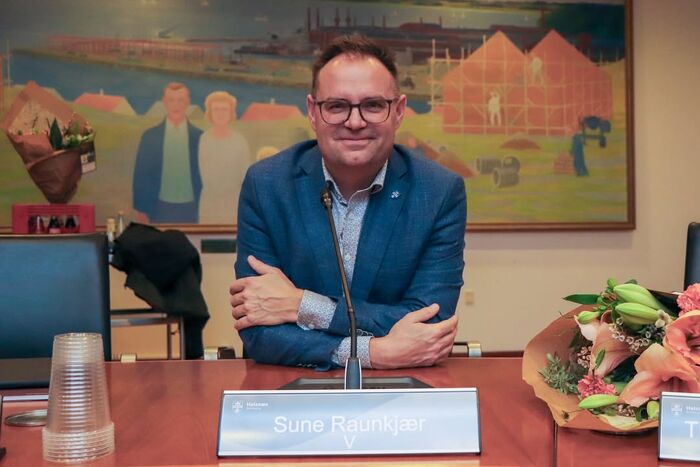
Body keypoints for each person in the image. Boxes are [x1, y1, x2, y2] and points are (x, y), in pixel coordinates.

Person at [230, 34, 466, 370]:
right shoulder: (267, 184)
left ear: (399, 111)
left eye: (373, 105)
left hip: (401, 392)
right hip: (289, 391)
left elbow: (430, 325)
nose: (355, 123)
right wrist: (374, 353)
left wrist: (302, 305)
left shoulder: (438, 191)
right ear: (313, 112)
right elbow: (258, 331)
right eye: (337, 106)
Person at [132, 82, 203, 224]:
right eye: (171, 100)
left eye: (180, 100)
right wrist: (141, 210)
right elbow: (141, 175)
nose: (176, 105)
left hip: (192, 209)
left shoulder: (200, 137)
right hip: (159, 207)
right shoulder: (150, 136)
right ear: (164, 102)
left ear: (188, 102)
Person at [198, 91, 252, 223]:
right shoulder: (203, 140)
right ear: (210, 113)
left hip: (233, 205)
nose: (220, 114)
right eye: (216, 109)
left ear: (231, 113)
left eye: (224, 110)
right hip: (208, 206)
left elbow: (245, 177)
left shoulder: (239, 141)